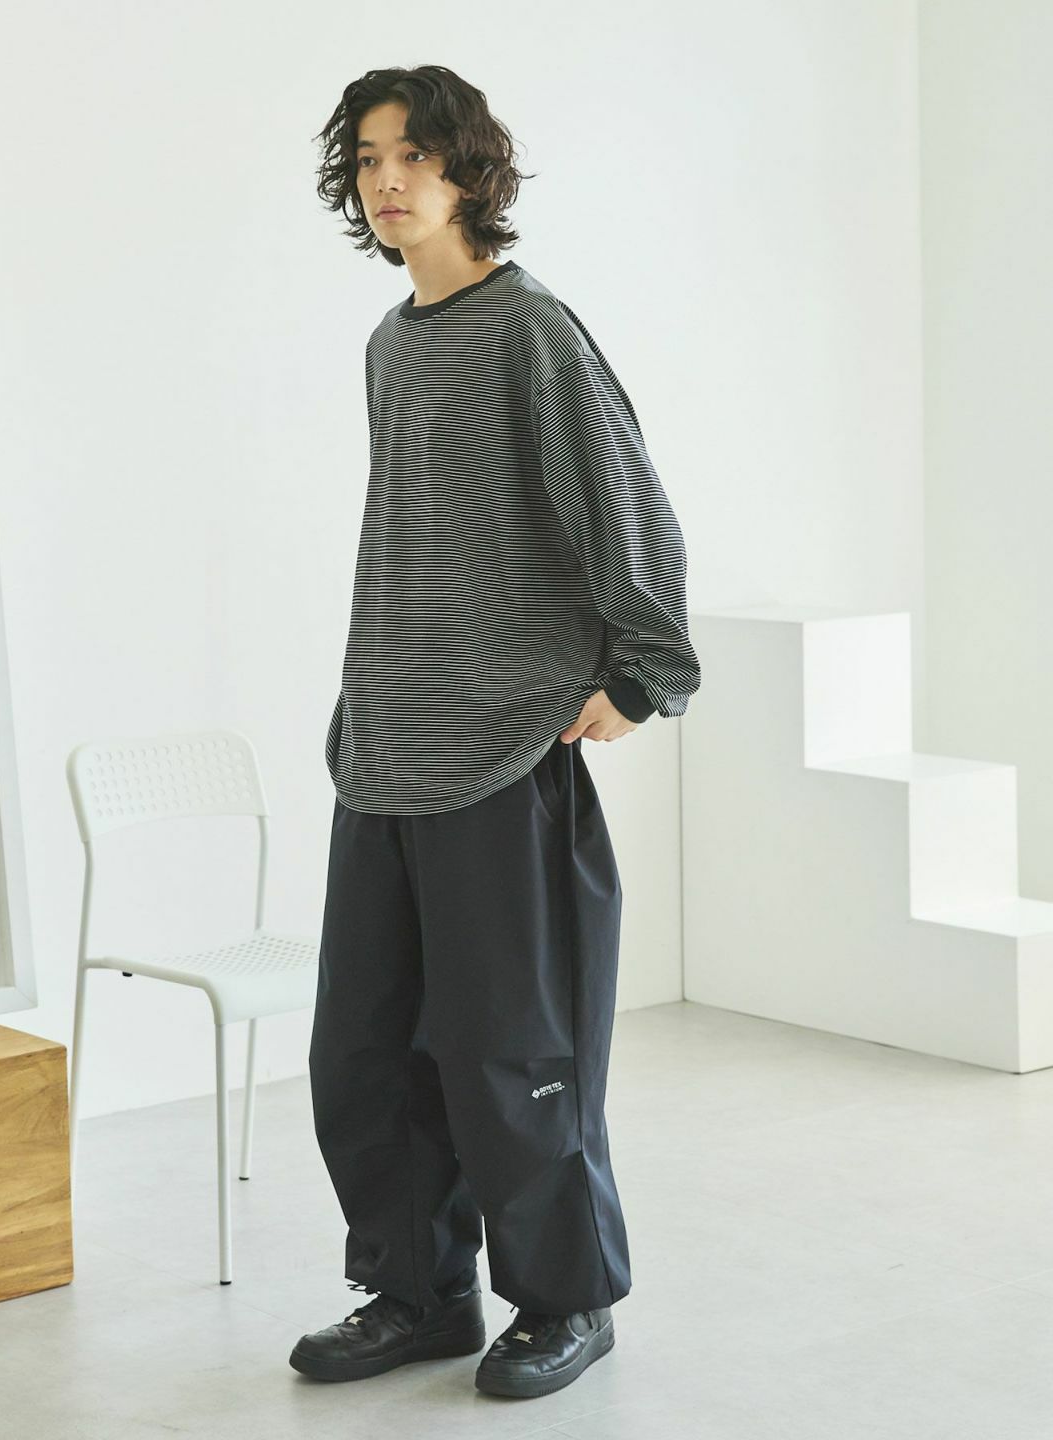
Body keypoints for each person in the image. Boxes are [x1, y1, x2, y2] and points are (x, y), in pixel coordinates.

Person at [289, 64, 701, 1400]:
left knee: (514, 1052)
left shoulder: (530, 328)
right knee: (363, 1051)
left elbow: (627, 501)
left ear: (469, 170)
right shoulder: (390, 342)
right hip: (386, 741)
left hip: (502, 744)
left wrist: (642, 673)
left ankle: (566, 1301)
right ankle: (418, 1292)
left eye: (414, 155)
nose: (388, 181)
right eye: (367, 160)